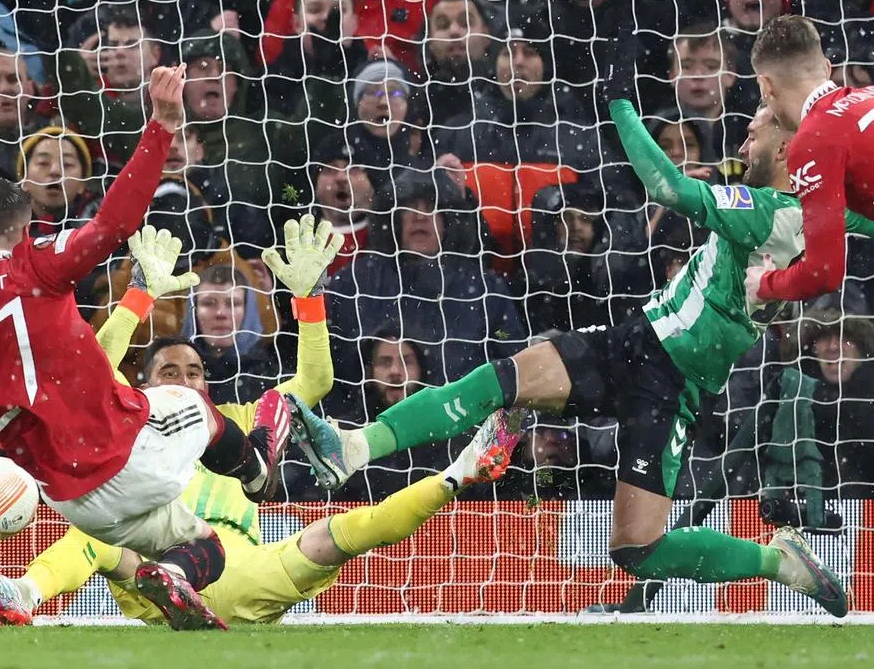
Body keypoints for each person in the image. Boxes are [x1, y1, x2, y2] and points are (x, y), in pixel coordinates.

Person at [290, 42, 871, 618]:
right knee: (504, 379)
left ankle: (776, 562)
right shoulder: (824, 211)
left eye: (758, 130)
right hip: (639, 341)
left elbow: (667, 187)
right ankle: (354, 446)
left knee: (635, 548)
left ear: (792, 146)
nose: (745, 141)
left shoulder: (763, 208)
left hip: (672, 384)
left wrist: (619, 101)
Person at [0, 66, 291, 632]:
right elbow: (114, 223)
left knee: (204, 545)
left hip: (73, 502)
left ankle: (172, 577)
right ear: (26, 225)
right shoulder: (32, 264)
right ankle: (257, 470)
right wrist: (160, 127)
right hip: (123, 449)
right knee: (190, 401)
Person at [0, 237, 513, 626]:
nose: (186, 381)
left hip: (242, 565)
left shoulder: (235, 420)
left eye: (194, 373)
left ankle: (460, 472)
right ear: (142, 383)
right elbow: (96, 359)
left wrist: (309, 300)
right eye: (169, 373)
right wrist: (139, 295)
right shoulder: (123, 417)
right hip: (151, 551)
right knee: (97, 540)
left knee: (343, 530)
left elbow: (313, 380)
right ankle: (28, 592)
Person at [745, 15, 874, 304]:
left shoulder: (813, 140)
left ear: (765, 86)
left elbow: (823, 273)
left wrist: (765, 285)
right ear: (827, 68)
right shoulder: (869, 95)